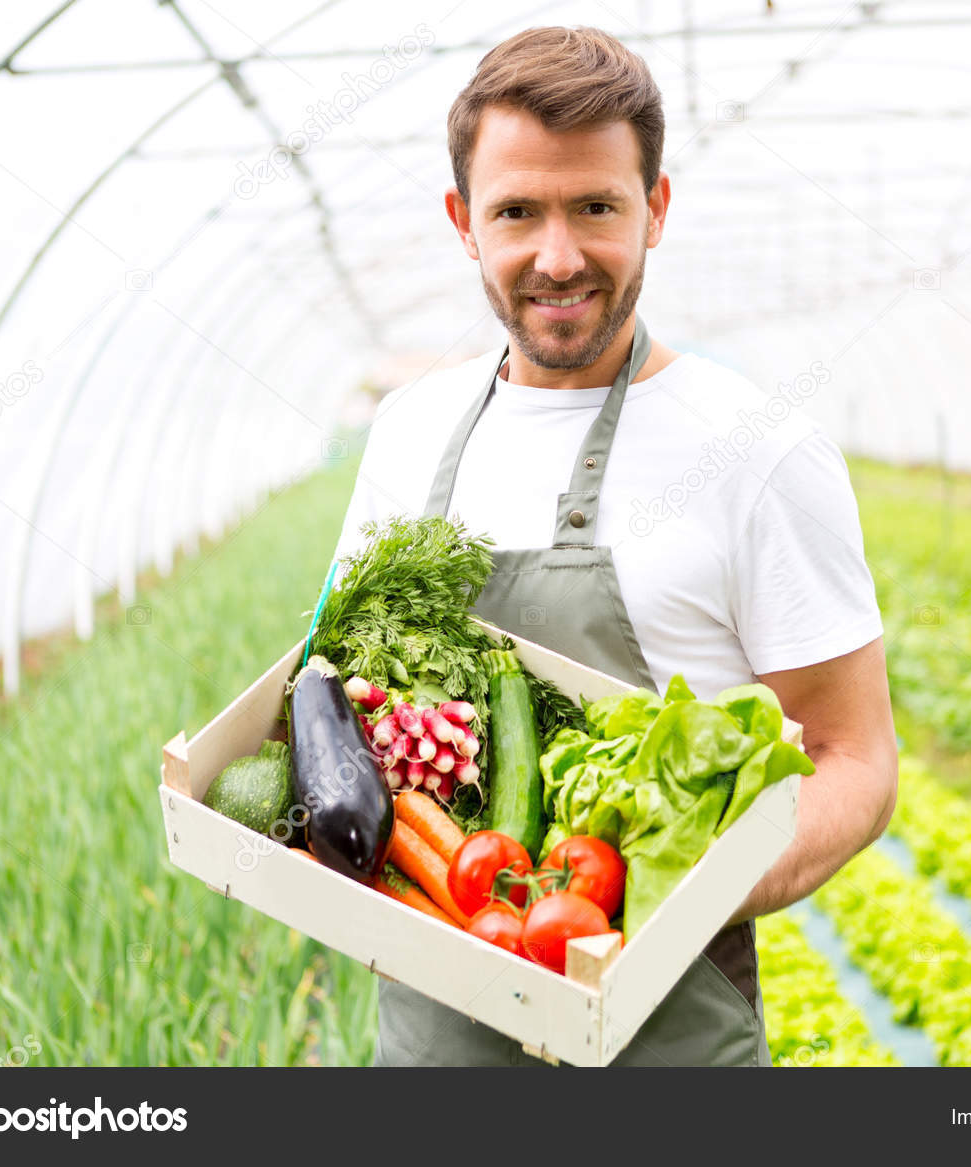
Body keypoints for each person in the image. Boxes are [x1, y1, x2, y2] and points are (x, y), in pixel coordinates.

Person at [333, 25, 897, 1067]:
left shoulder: (758, 451)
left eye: (595, 206)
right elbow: (349, 702)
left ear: (656, 209)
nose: (557, 257)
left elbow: (856, 757)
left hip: (666, 1031)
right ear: (463, 223)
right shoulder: (407, 435)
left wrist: (689, 899)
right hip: (434, 1032)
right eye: (516, 212)